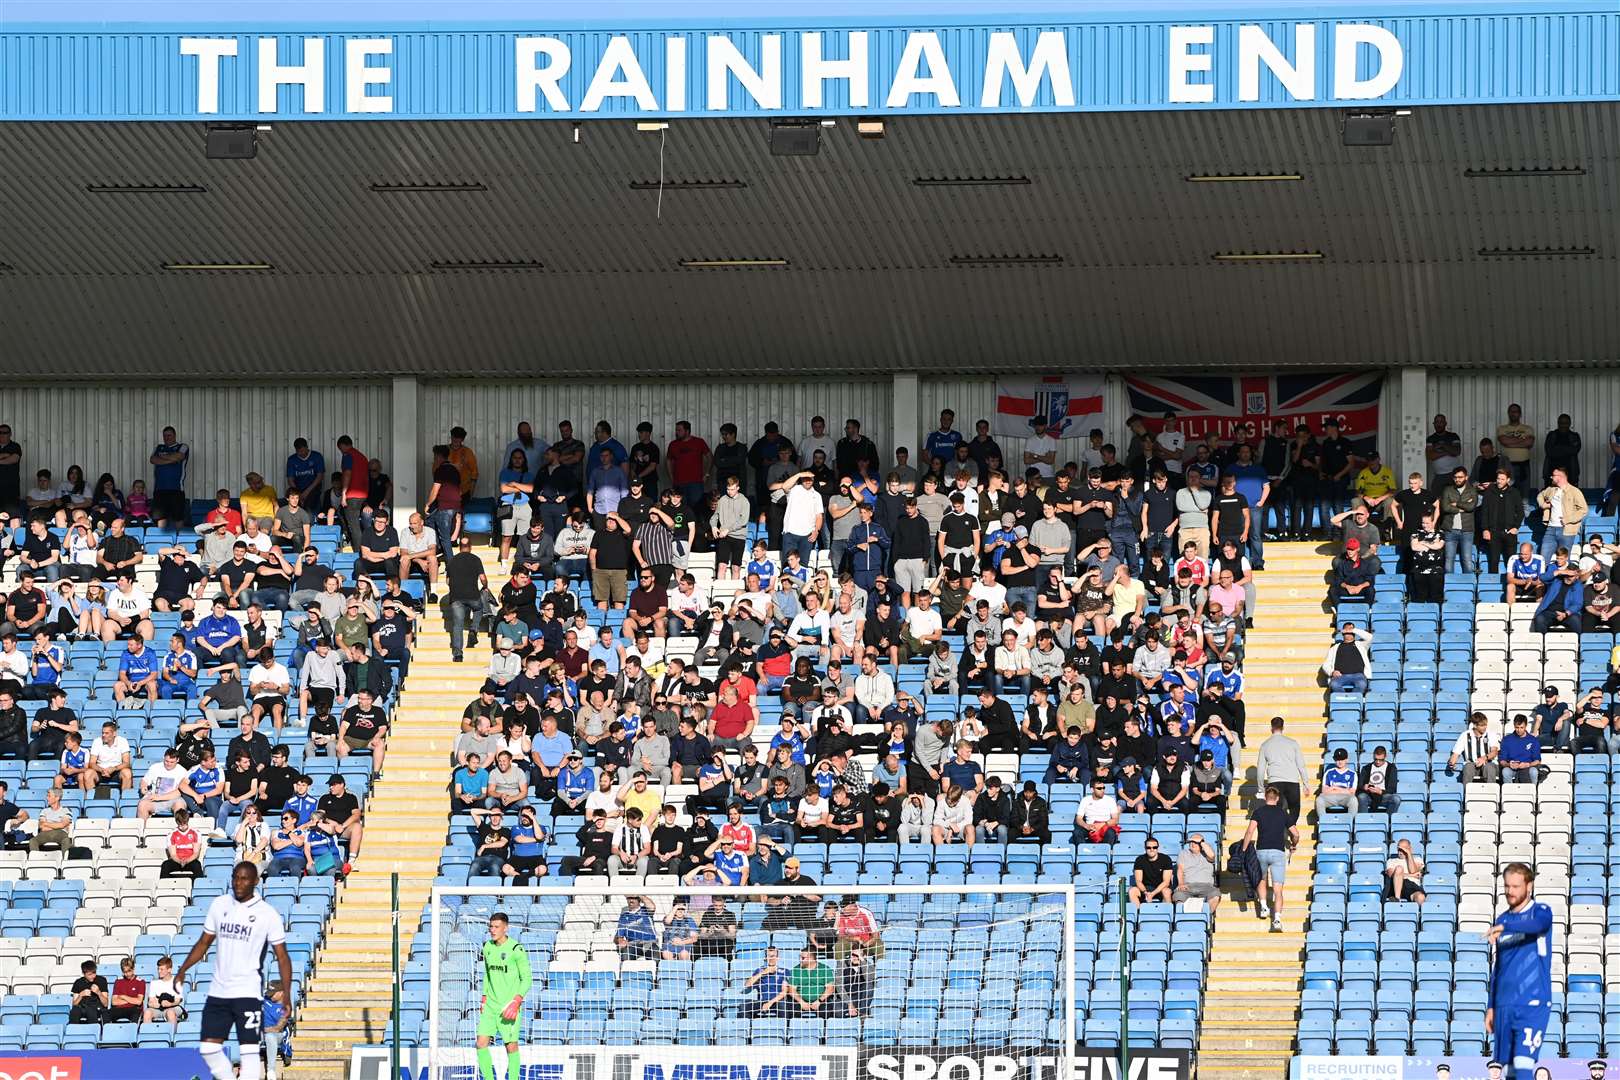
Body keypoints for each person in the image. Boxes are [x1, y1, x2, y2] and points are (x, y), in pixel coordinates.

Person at [174, 861, 293, 1080]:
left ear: (256, 881)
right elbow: (203, 943)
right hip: (219, 990)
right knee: (208, 1048)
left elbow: (283, 957)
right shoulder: (220, 905)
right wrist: (183, 970)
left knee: (249, 1053)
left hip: (247, 992)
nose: (238, 882)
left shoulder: (267, 914)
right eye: (235, 877)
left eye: (244, 878)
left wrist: (286, 995)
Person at [1486, 863, 1553, 1080]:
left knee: (1524, 1064)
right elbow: (1499, 966)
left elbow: (1538, 926)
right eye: (1507, 886)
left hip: (1532, 1002)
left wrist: (1507, 928)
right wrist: (1491, 1006)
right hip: (1505, 1004)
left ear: (1529, 886)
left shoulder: (1540, 912)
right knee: (1509, 1070)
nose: (1510, 891)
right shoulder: (1502, 919)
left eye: (1515, 886)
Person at [475, 911, 532, 1080]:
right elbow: (487, 973)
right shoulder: (487, 947)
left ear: (505, 928)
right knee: (480, 1044)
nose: (493, 930)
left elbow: (527, 978)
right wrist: (484, 997)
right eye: (491, 926)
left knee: (511, 1046)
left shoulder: (516, 949)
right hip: (490, 1005)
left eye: (496, 927)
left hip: (508, 1006)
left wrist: (517, 1001)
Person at [1243, 783, 1299, 932]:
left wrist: (1243, 849)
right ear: (1277, 798)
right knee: (1278, 889)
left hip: (1261, 850)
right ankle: (1277, 919)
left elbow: (1249, 832)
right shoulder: (1283, 813)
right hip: (1278, 852)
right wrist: (1293, 845)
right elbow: (1296, 833)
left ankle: (1263, 906)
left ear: (1266, 798)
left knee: (1261, 879)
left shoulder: (1258, 812)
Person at [1173, 833, 1221, 912]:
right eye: (1191, 841)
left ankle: (1206, 917)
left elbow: (1212, 856)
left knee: (1215, 895)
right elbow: (1180, 869)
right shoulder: (1183, 853)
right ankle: (1183, 920)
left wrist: (1201, 842)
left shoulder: (1207, 853)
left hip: (1206, 886)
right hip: (1188, 886)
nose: (1192, 844)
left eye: (1195, 842)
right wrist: (1181, 883)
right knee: (1178, 896)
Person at [1450, 712, 1502, 783]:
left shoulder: (1491, 734)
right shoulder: (1465, 735)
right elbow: (1456, 753)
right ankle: (1466, 792)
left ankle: (1491, 792)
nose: (1485, 727)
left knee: (1489, 767)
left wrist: (1484, 758)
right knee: (1468, 767)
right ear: (1474, 725)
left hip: (1489, 763)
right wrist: (1452, 763)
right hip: (1472, 764)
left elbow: (1494, 752)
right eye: (1482, 725)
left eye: (1485, 725)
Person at [1128, 836, 1174, 905]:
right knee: (1132, 891)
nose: (1151, 849)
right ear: (1145, 848)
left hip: (1161, 888)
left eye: (1154, 847)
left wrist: (1152, 894)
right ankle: (1137, 913)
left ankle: (1166, 914)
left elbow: (1166, 882)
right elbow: (1138, 881)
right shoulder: (1140, 860)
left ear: (1158, 848)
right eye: (1148, 847)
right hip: (1145, 888)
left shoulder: (1166, 859)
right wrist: (1145, 892)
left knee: (1166, 892)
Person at [1315, 748, 1359, 819]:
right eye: (1337, 759)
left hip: (1345, 798)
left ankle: (1350, 822)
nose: (1340, 762)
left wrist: (1334, 788)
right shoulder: (1329, 772)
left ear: (1346, 759)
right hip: (1331, 797)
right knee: (1319, 800)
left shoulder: (1352, 774)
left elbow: (1352, 792)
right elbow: (1324, 791)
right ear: (1334, 760)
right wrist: (1345, 790)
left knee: (1353, 800)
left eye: (1342, 759)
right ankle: (1324, 821)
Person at [1498, 715, 1542, 784]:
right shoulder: (1507, 739)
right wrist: (1509, 765)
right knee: (1505, 771)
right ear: (1514, 725)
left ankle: (1533, 792)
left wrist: (1528, 764)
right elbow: (1502, 760)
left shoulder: (1533, 740)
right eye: (1517, 727)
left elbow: (1538, 760)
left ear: (1526, 726)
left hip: (1528, 767)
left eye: (1521, 727)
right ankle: (1509, 793)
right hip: (1512, 768)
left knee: (1533, 771)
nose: (1519, 730)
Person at [1356, 745, 1400, 813]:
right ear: (1373, 756)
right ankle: (1363, 821)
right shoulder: (1366, 768)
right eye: (1376, 759)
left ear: (1385, 757)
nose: (1378, 762)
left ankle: (1388, 820)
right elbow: (1360, 785)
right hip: (1369, 795)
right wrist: (1364, 787)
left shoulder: (1391, 768)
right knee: (1361, 797)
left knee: (1396, 799)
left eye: (1381, 760)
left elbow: (1393, 788)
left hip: (1384, 795)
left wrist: (1381, 791)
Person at [1384, 838, 1426, 905]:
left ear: (1409, 848)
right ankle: (1397, 899)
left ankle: (1415, 913)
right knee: (1399, 869)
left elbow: (1413, 870)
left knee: (1421, 898)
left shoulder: (1418, 860)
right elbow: (1391, 874)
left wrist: (1409, 853)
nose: (1401, 851)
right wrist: (1412, 875)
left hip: (1411, 886)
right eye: (1399, 849)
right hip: (1394, 887)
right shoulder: (1391, 861)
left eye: (1404, 849)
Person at [69, 959, 109, 1024]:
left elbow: (106, 1004)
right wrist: (80, 995)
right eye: (89, 974)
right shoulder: (78, 982)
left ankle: (94, 1031)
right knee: (75, 1011)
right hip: (82, 1008)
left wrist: (99, 992)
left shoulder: (102, 980)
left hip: (96, 1007)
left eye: (94, 973)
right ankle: (73, 1031)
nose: (93, 976)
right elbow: (74, 1004)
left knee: (91, 1010)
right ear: (84, 974)